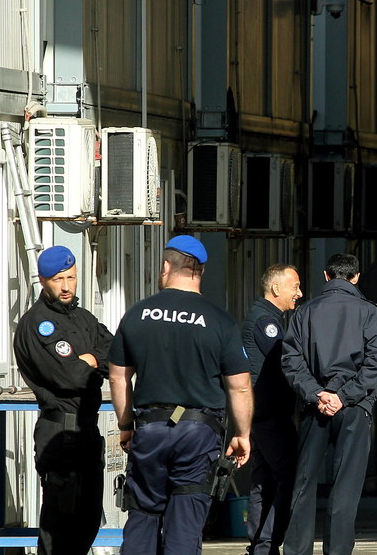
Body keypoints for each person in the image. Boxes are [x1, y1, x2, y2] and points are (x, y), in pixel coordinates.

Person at [108, 235, 253, 554]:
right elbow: (239, 385)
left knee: (143, 515)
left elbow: (119, 378)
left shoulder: (138, 314)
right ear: (199, 272)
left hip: (150, 430)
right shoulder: (220, 321)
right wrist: (242, 434)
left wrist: (125, 426)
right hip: (198, 435)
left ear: (165, 267)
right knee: (185, 524)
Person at [280, 253, 377, 555]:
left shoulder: (306, 312)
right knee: (345, 487)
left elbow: (291, 360)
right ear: (356, 277)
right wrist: (345, 396)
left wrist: (317, 393)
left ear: (326, 277)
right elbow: (376, 363)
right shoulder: (369, 313)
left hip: (315, 407)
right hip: (354, 408)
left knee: (303, 484)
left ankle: (296, 551)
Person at [13, 245, 113, 555]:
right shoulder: (38, 324)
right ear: (42, 280)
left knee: (87, 523)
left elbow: (118, 353)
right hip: (60, 435)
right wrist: (95, 364)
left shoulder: (83, 318)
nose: (67, 286)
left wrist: (91, 360)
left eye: (71, 277)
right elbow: (70, 377)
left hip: (86, 431)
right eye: (58, 279)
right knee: (61, 525)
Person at [243, 264, 304, 555]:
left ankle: (260, 544)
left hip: (262, 412)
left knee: (264, 480)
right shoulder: (265, 321)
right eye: (295, 287)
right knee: (288, 476)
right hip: (269, 414)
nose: (299, 294)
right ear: (277, 288)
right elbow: (285, 359)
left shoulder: (269, 317)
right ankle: (267, 543)